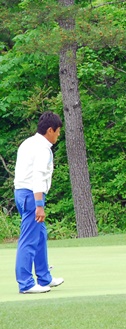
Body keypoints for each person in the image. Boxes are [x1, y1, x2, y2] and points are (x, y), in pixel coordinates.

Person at [14, 111, 65, 294]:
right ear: (50, 130)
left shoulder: (28, 142)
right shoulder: (43, 149)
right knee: (29, 239)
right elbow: (37, 176)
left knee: (40, 236)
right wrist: (39, 205)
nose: (58, 135)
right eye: (58, 131)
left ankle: (44, 277)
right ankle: (26, 283)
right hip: (32, 196)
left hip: (21, 193)